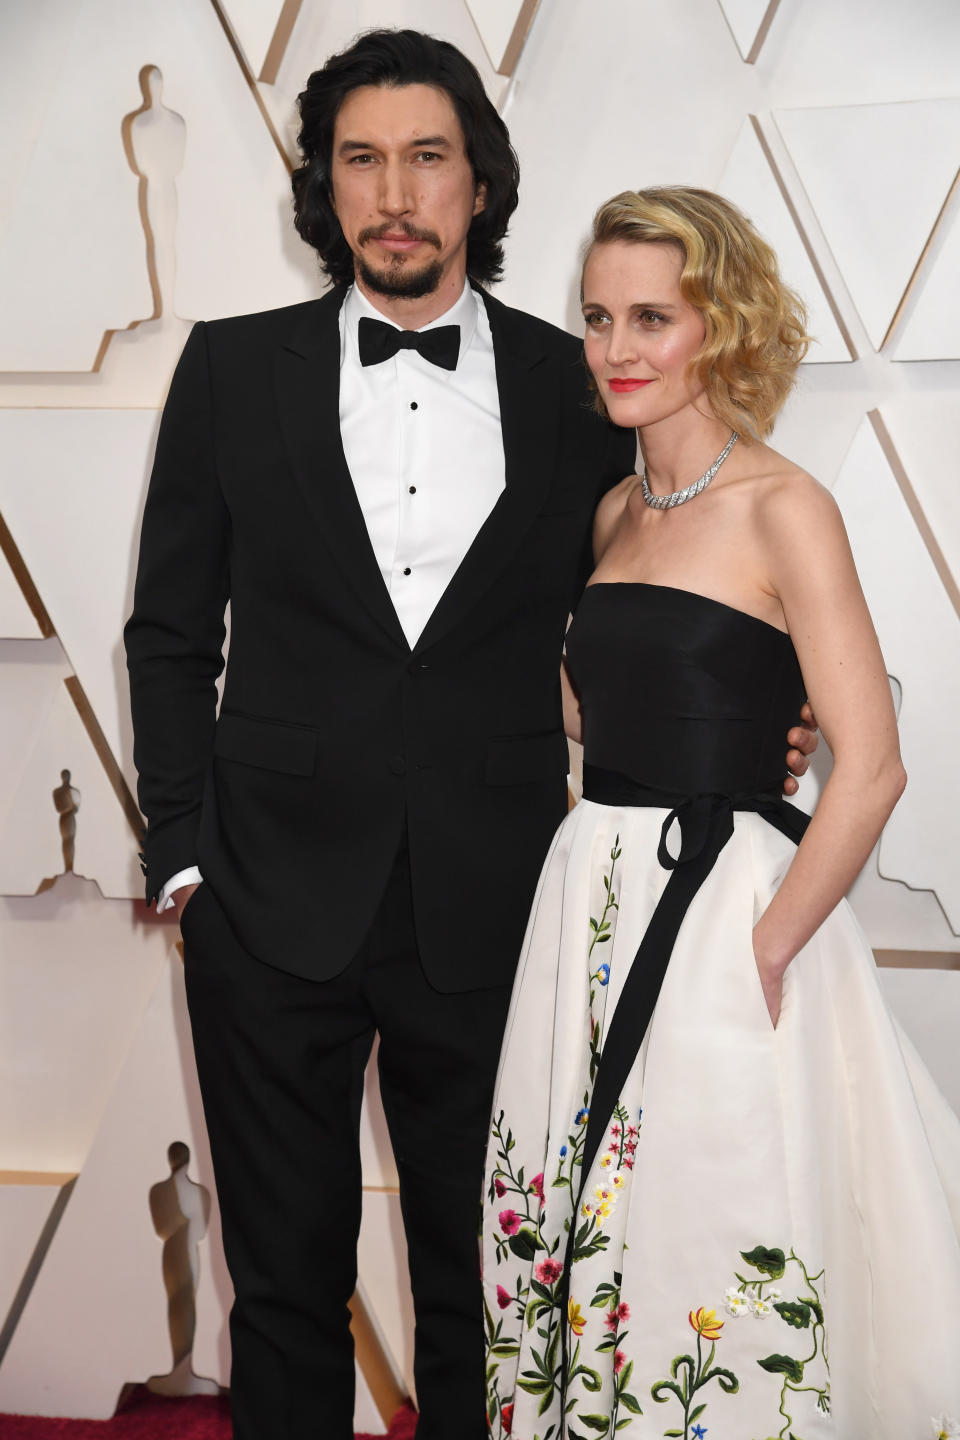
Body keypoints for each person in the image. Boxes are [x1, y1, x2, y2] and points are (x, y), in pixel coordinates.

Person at [124, 35, 815, 1439]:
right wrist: (184, 858)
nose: (395, 192)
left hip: (502, 907)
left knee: (490, 1294)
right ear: (324, 187)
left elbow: (647, 592)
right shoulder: (231, 370)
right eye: (362, 159)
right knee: (282, 1293)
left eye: (427, 156)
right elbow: (170, 629)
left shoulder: (585, 386)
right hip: (265, 906)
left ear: (479, 183)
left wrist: (748, 715)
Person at [481, 185, 960, 1440]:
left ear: (724, 326)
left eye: (654, 317)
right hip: (591, 890)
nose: (619, 349)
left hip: (722, 907)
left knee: (712, 1212)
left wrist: (766, 945)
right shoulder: (614, 511)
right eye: (597, 319)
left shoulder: (784, 505)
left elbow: (872, 765)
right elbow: (600, 718)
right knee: (582, 1213)